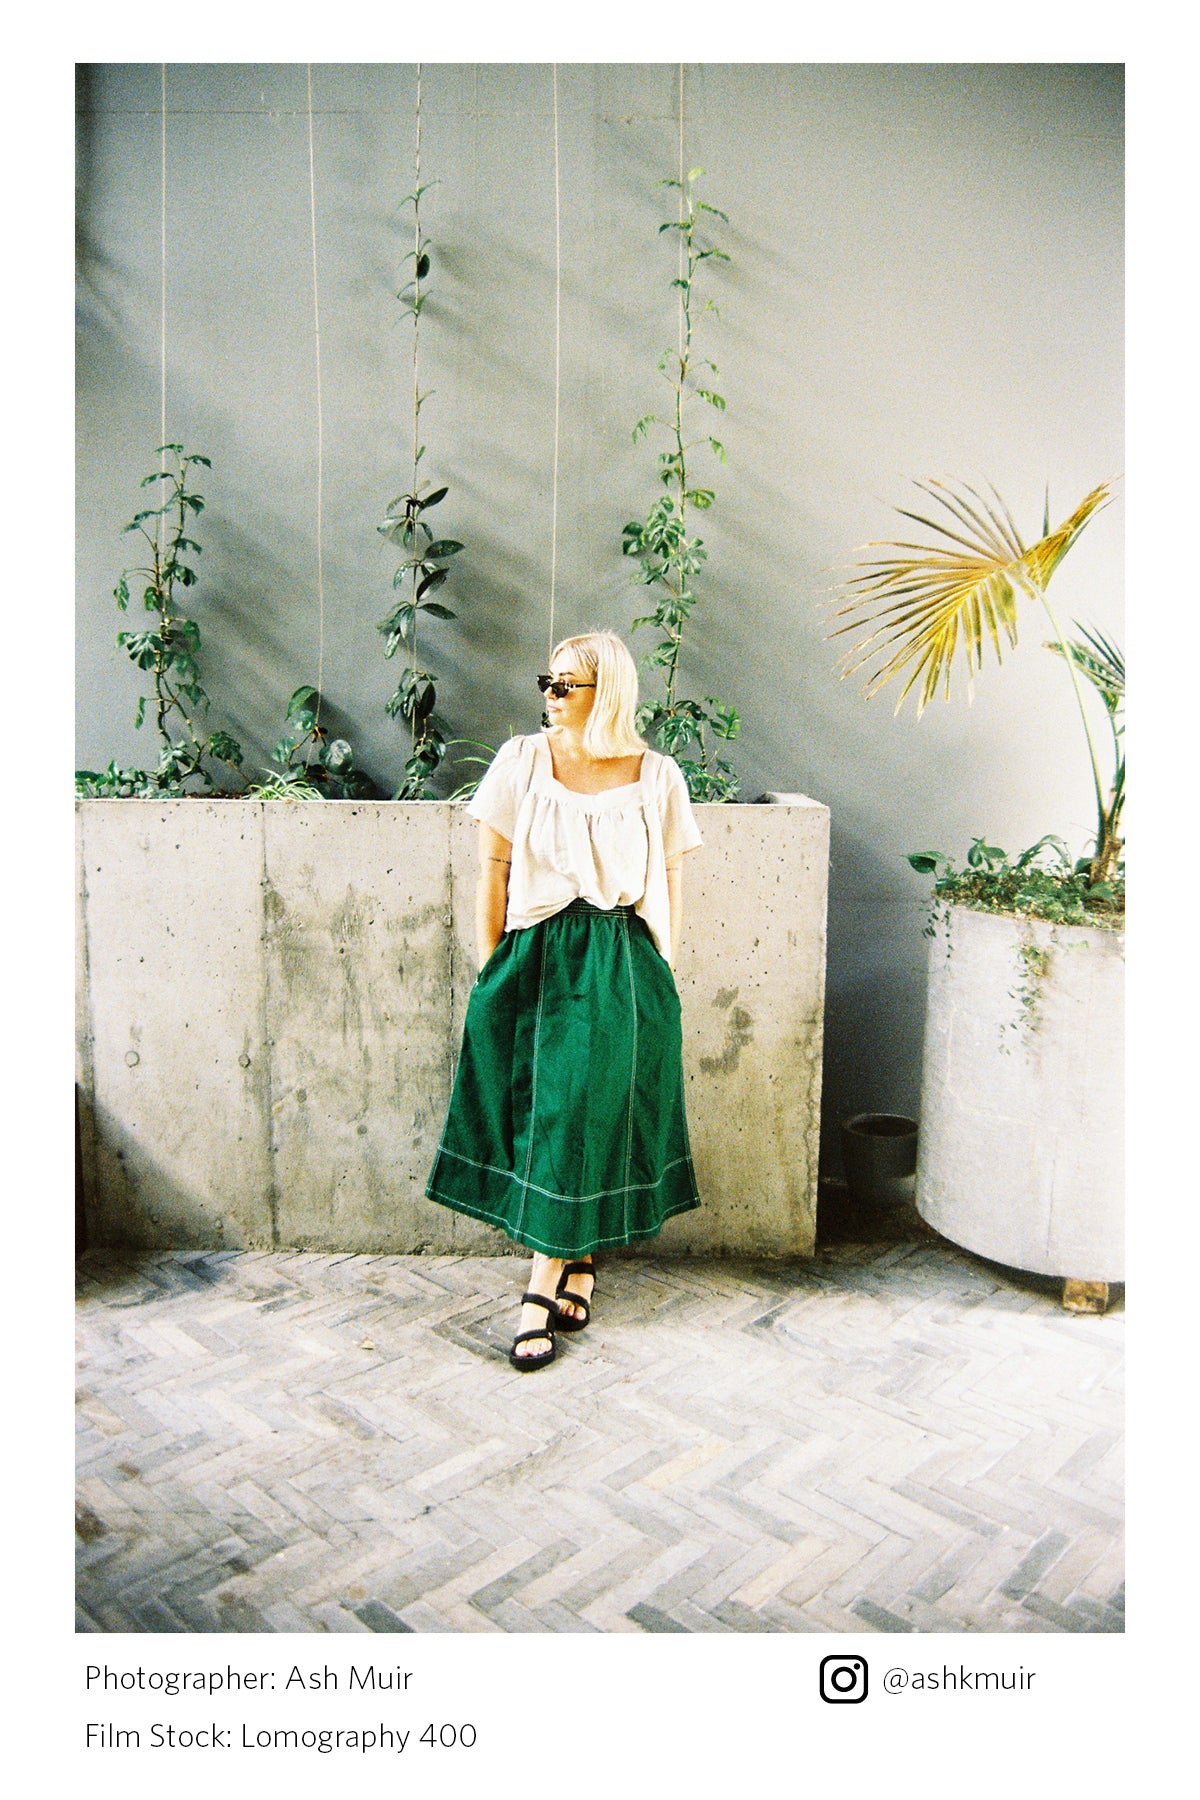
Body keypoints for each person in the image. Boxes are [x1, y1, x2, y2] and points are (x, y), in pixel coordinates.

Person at [425, 630, 703, 1369]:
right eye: (544, 681)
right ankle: (577, 1262)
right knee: (551, 1118)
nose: (548, 697)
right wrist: (491, 971)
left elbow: (669, 885)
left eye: (564, 685)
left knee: (581, 1112)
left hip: (618, 961)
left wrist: (661, 979)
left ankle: (538, 1288)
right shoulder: (522, 762)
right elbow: (491, 869)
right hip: (533, 956)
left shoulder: (657, 776)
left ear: (604, 691)